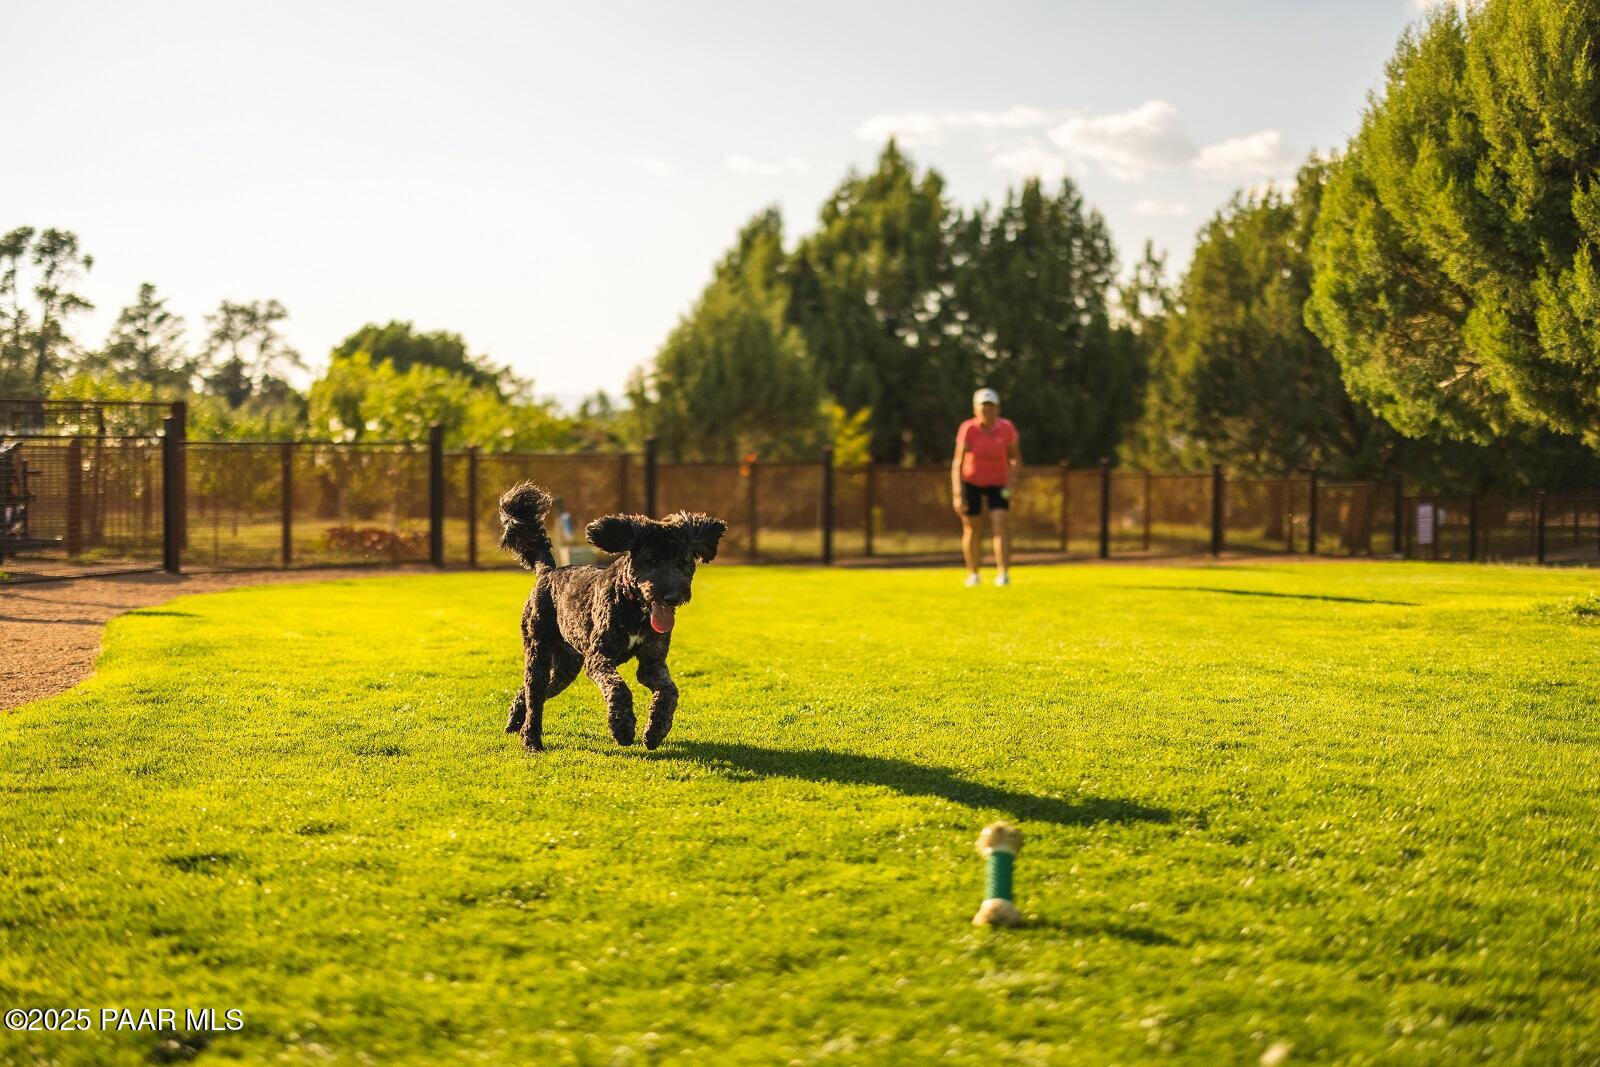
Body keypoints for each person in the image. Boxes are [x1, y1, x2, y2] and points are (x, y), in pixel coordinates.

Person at [951, 387, 1021, 586]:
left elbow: (1016, 459)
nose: (987, 411)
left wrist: (1011, 482)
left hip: (999, 483)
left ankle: (1003, 574)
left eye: (990, 407)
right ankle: (973, 574)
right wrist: (958, 493)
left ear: (997, 409)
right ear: (975, 409)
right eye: (983, 407)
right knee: (972, 528)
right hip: (971, 481)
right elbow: (957, 463)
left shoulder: (1006, 428)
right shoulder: (968, 429)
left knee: (1000, 524)